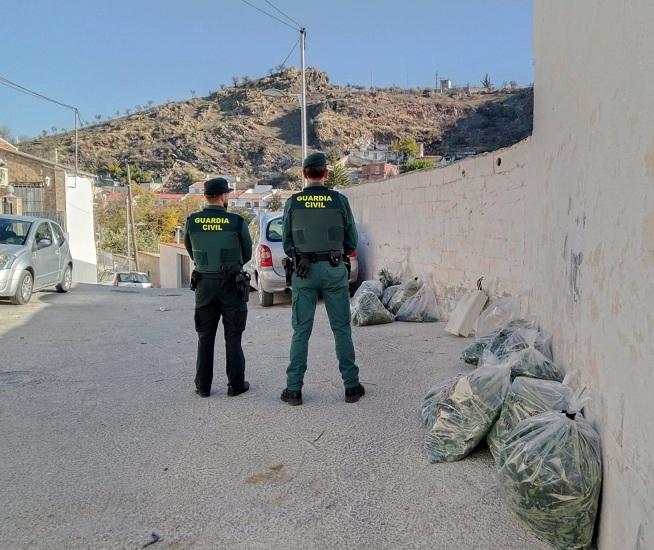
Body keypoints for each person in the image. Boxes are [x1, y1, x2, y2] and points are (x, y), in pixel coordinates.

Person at [280, 152, 365, 406]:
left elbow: (286, 242)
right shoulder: (339, 200)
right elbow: (351, 239)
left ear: (305, 174)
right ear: (326, 173)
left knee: (301, 331)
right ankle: (351, 386)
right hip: (334, 269)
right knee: (341, 329)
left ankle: (294, 389)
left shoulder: (293, 202)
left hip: (303, 272)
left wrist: (302, 255)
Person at [184, 177, 252, 398]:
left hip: (204, 283)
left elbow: (190, 251)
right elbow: (247, 253)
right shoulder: (236, 222)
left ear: (206, 196)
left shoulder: (192, 221)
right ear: (223, 196)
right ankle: (236, 385)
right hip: (231, 284)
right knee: (233, 336)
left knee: (205, 337)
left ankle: (203, 387)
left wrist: (207, 265)